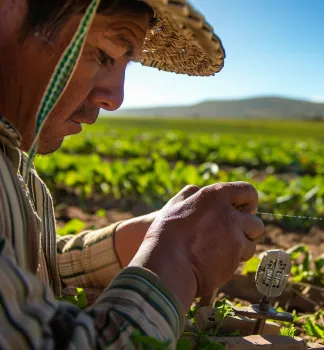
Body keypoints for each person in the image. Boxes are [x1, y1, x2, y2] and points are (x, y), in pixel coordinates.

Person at [0, 0, 264, 348]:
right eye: (104, 54)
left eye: (126, 64)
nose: (116, 98)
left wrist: (127, 243)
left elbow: (16, 270)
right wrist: (176, 261)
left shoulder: (12, 160)